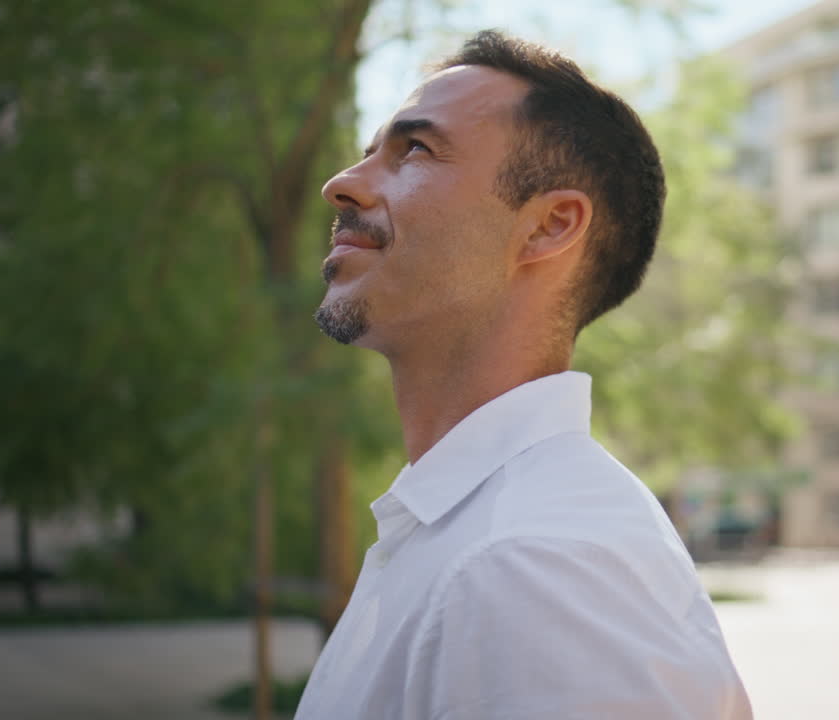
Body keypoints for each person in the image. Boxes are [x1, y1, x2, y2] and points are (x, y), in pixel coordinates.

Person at [294, 30, 753, 719]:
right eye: (369, 151)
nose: (342, 184)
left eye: (414, 149)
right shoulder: (479, 536)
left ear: (549, 227)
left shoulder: (534, 565)